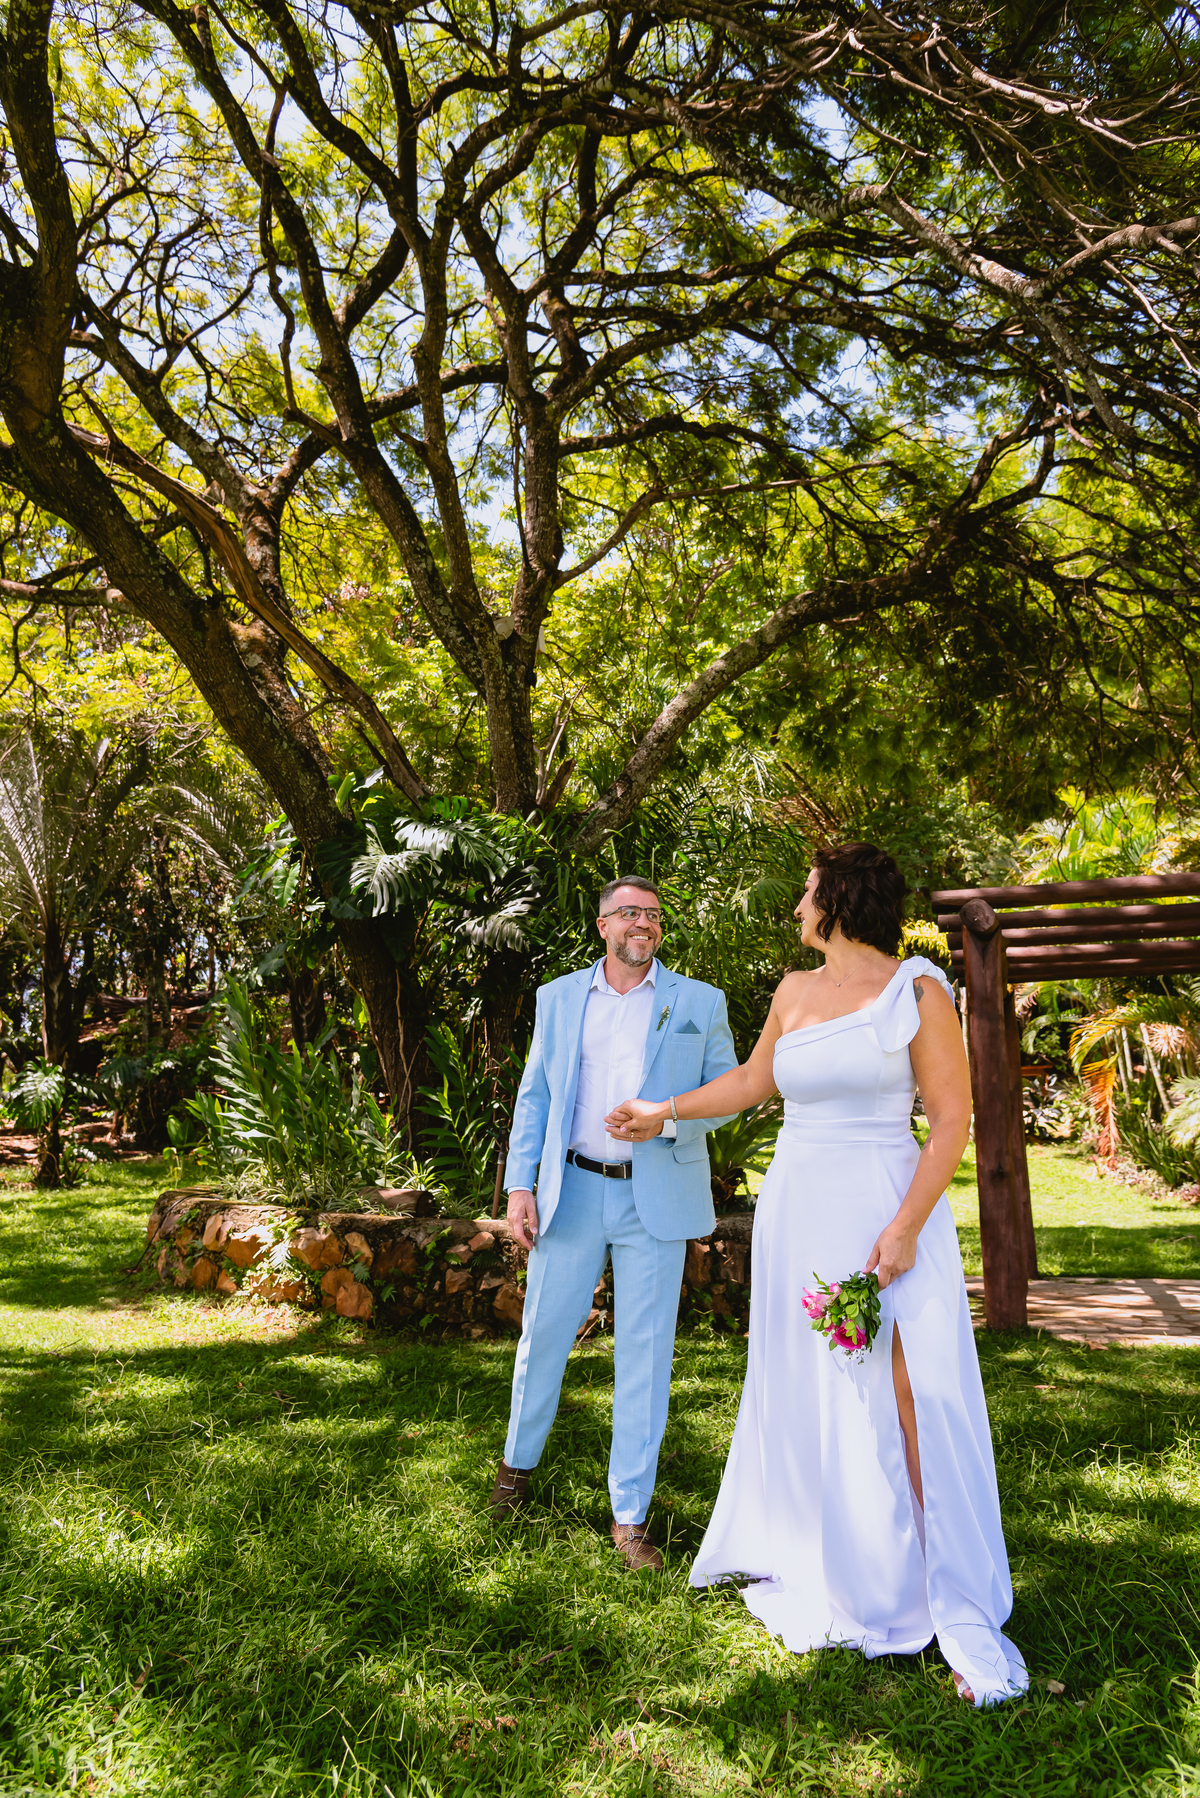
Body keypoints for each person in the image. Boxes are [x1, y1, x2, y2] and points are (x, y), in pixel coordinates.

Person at [606, 843, 1028, 1703]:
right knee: (816, 1383)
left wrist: (906, 1227)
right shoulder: (794, 993)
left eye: (805, 894)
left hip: (884, 1205)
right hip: (798, 1210)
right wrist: (666, 1112)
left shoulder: (917, 992)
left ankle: (944, 1591)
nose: (796, 908)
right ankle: (833, 1555)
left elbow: (951, 1120)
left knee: (915, 1391)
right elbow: (757, 1081)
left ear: (837, 901)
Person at [489, 875, 738, 1570]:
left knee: (646, 1358)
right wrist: (520, 1185)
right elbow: (535, 1095)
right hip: (572, 1194)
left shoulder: (699, 1003)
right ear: (602, 925)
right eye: (628, 912)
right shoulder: (559, 998)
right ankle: (515, 1473)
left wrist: (667, 1116)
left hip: (653, 1197)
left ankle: (630, 1517)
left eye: (653, 915)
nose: (643, 924)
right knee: (542, 1338)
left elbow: (727, 1092)